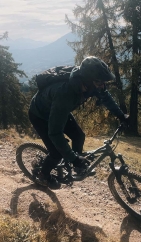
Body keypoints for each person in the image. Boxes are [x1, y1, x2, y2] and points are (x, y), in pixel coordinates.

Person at [29, 56, 128, 189]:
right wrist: (73, 157)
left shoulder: (89, 85)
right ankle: (43, 175)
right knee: (56, 152)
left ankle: (77, 166)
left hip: (57, 111)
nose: (102, 86)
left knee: (79, 136)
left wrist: (121, 115)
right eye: (99, 82)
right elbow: (55, 133)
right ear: (88, 81)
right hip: (40, 115)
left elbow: (105, 97)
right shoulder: (65, 93)